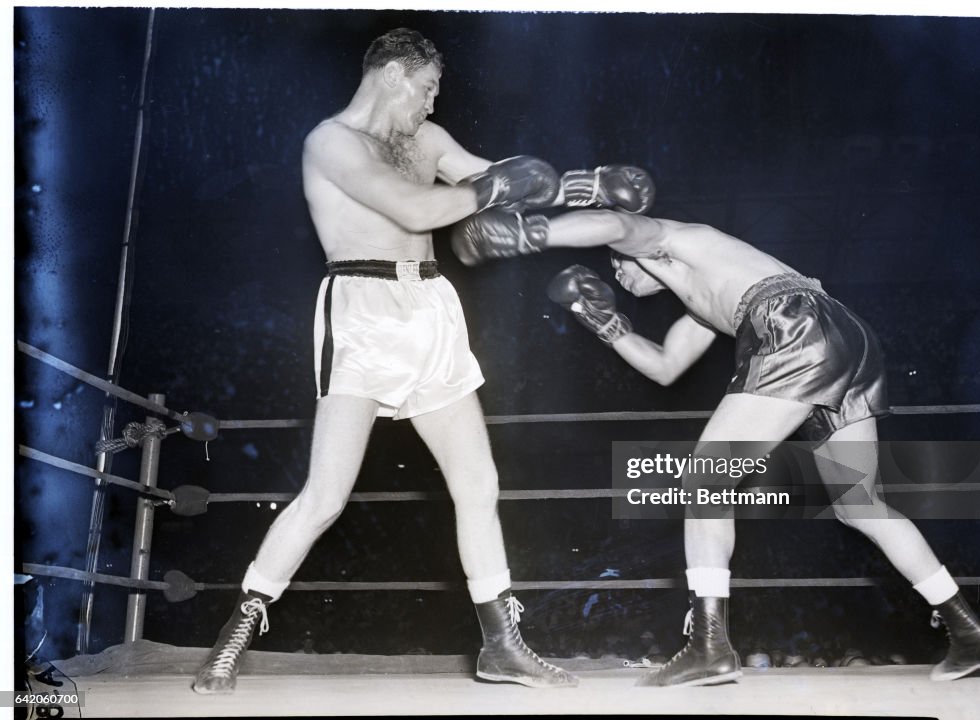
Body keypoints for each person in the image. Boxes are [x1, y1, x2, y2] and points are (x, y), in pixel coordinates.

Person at [190, 28, 653, 694]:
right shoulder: (330, 142)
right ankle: (237, 630)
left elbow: (497, 178)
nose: (433, 104)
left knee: (478, 483)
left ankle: (502, 645)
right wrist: (497, 190)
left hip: (432, 309)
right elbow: (414, 207)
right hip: (361, 311)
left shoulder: (428, 142)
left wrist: (586, 187)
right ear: (393, 75)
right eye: (429, 87)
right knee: (324, 497)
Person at [450, 207, 980, 686]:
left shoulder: (675, 242)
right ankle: (968, 632)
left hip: (792, 324)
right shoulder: (702, 303)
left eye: (618, 266)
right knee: (860, 504)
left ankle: (710, 646)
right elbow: (666, 368)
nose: (618, 277)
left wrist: (532, 233)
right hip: (843, 337)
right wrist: (603, 323)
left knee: (705, 479)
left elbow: (616, 222)